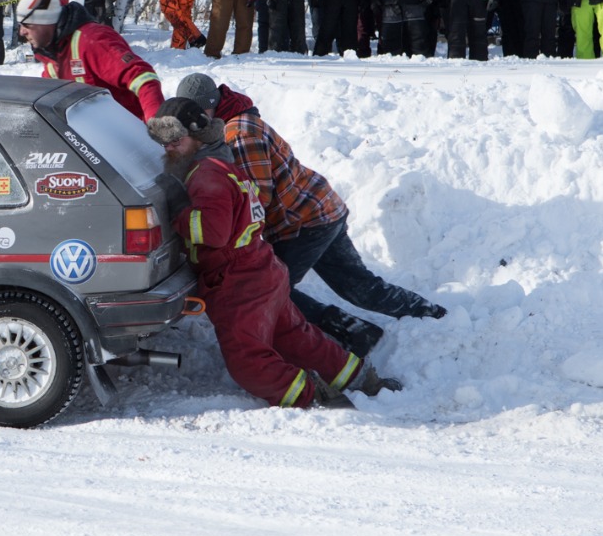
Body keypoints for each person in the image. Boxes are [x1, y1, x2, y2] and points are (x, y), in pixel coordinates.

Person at [146, 96, 400, 409]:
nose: (169, 148)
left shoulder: (206, 176)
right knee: (298, 339)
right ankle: (364, 381)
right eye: (164, 142)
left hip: (238, 283)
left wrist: (178, 213)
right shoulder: (220, 162)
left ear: (197, 137)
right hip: (263, 269)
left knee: (247, 362)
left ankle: (313, 396)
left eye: (176, 141)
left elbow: (212, 232)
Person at [176, 73, 447, 357]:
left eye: (199, 113)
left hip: (304, 221)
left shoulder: (239, 133)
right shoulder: (229, 125)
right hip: (318, 209)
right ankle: (429, 315)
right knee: (358, 286)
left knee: (269, 286)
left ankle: (356, 333)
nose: (195, 122)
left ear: (212, 106)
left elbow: (258, 197)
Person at [18, 0, 164, 121]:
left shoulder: (90, 40)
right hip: (92, 136)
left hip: (130, 134)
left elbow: (143, 78)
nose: (22, 32)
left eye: (26, 24)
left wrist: (156, 122)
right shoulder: (52, 54)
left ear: (45, 21)